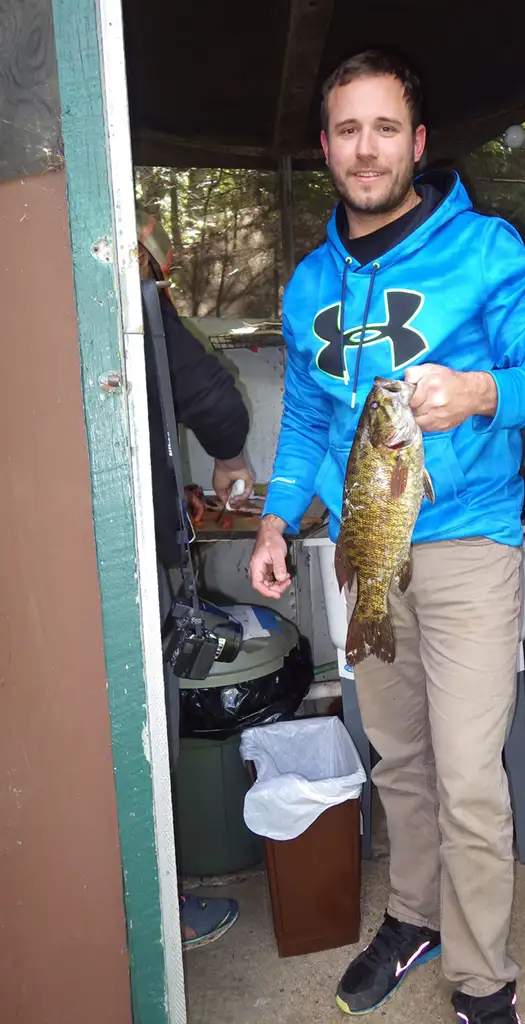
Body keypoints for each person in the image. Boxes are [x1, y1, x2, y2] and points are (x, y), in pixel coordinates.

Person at [248, 51, 525, 1024]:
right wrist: (275, 516)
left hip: (468, 540)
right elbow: (308, 423)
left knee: (473, 772)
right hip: (363, 548)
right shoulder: (312, 282)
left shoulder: (485, 249)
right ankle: (414, 914)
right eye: (347, 129)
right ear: (325, 147)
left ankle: (482, 978)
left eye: (385, 127)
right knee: (396, 754)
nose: (366, 147)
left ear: (418, 143)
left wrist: (484, 393)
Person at [137, 207, 253, 949]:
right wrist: (230, 455)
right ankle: (160, 910)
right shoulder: (138, 301)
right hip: (126, 557)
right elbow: (211, 397)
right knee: (148, 722)